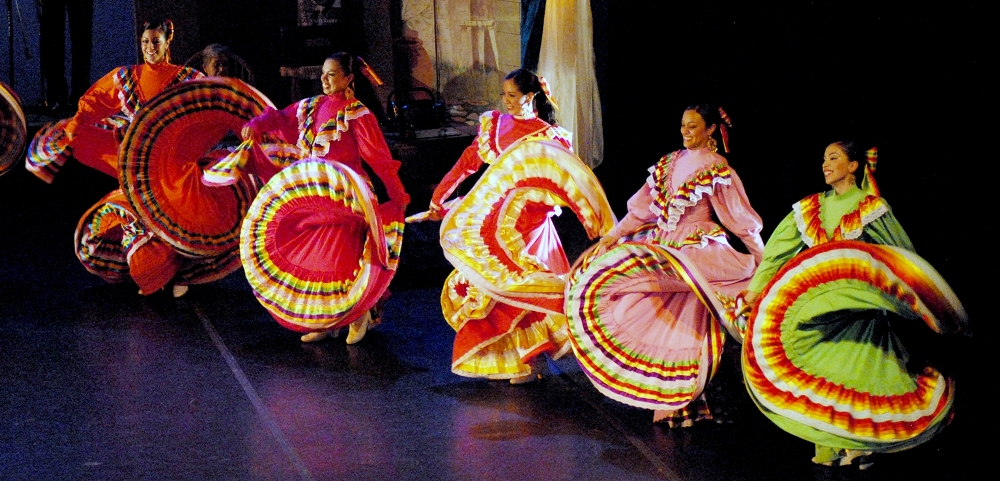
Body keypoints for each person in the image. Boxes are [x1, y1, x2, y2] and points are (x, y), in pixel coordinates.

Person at [741, 141, 968, 469]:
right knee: (823, 376)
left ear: (853, 166)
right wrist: (753, 293)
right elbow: (777, 251)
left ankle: (861, 445)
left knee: (862, 376)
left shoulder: (870, 206)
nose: (825, 164)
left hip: (860, 312)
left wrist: (918, 293)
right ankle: (830, 447)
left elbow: (901, 253)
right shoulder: (810, 208)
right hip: (819, 311)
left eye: (833, 158)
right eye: (823, 159)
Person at [564, 103, 764, 425]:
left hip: (698, 249)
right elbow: (642, 211)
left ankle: (699, 402)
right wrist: (613, 236)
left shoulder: (715, 166)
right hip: (664, 246)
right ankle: (676, 403)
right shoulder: (669, 162)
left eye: (693, 126)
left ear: (711, 129)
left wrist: (761, 257)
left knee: (696, 324)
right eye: (683, 125)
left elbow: (738, 218)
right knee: (664, 319)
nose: (685, 131)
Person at [240, 52, 410, 345]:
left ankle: (358, 314)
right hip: (312, 197)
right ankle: (327, 321)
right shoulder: (311, 106)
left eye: (332, 74)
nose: (324, 79)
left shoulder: (357, 113)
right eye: (323, 74)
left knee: (345, 261)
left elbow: (379, 159)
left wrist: (397, 194)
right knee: (319, 261)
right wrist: (257, 124)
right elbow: (280, 118)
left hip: (346, 197)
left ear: (348, 79)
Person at [427, 68, 579, 384]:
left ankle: (533, 357)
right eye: (504, 95)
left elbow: (565, 184)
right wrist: (440, 196)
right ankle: (516, 359)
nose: (507, 101)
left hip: (530, 224)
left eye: (513, 95)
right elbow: (468, 162)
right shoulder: (497, 126)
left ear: (531, 96)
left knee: (526, 290)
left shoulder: (549, 136)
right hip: (495, 223)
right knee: (494, 292)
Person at [26, 18, 203, 183]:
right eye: (145, 42)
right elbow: (97, 99)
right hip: (136, 153)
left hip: (170, 155)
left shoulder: (186, 78)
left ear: (167, 42)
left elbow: (205, 107)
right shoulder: (129, 76)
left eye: (156, 41)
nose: (150, 47)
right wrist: (78, 121)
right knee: (71, 133)